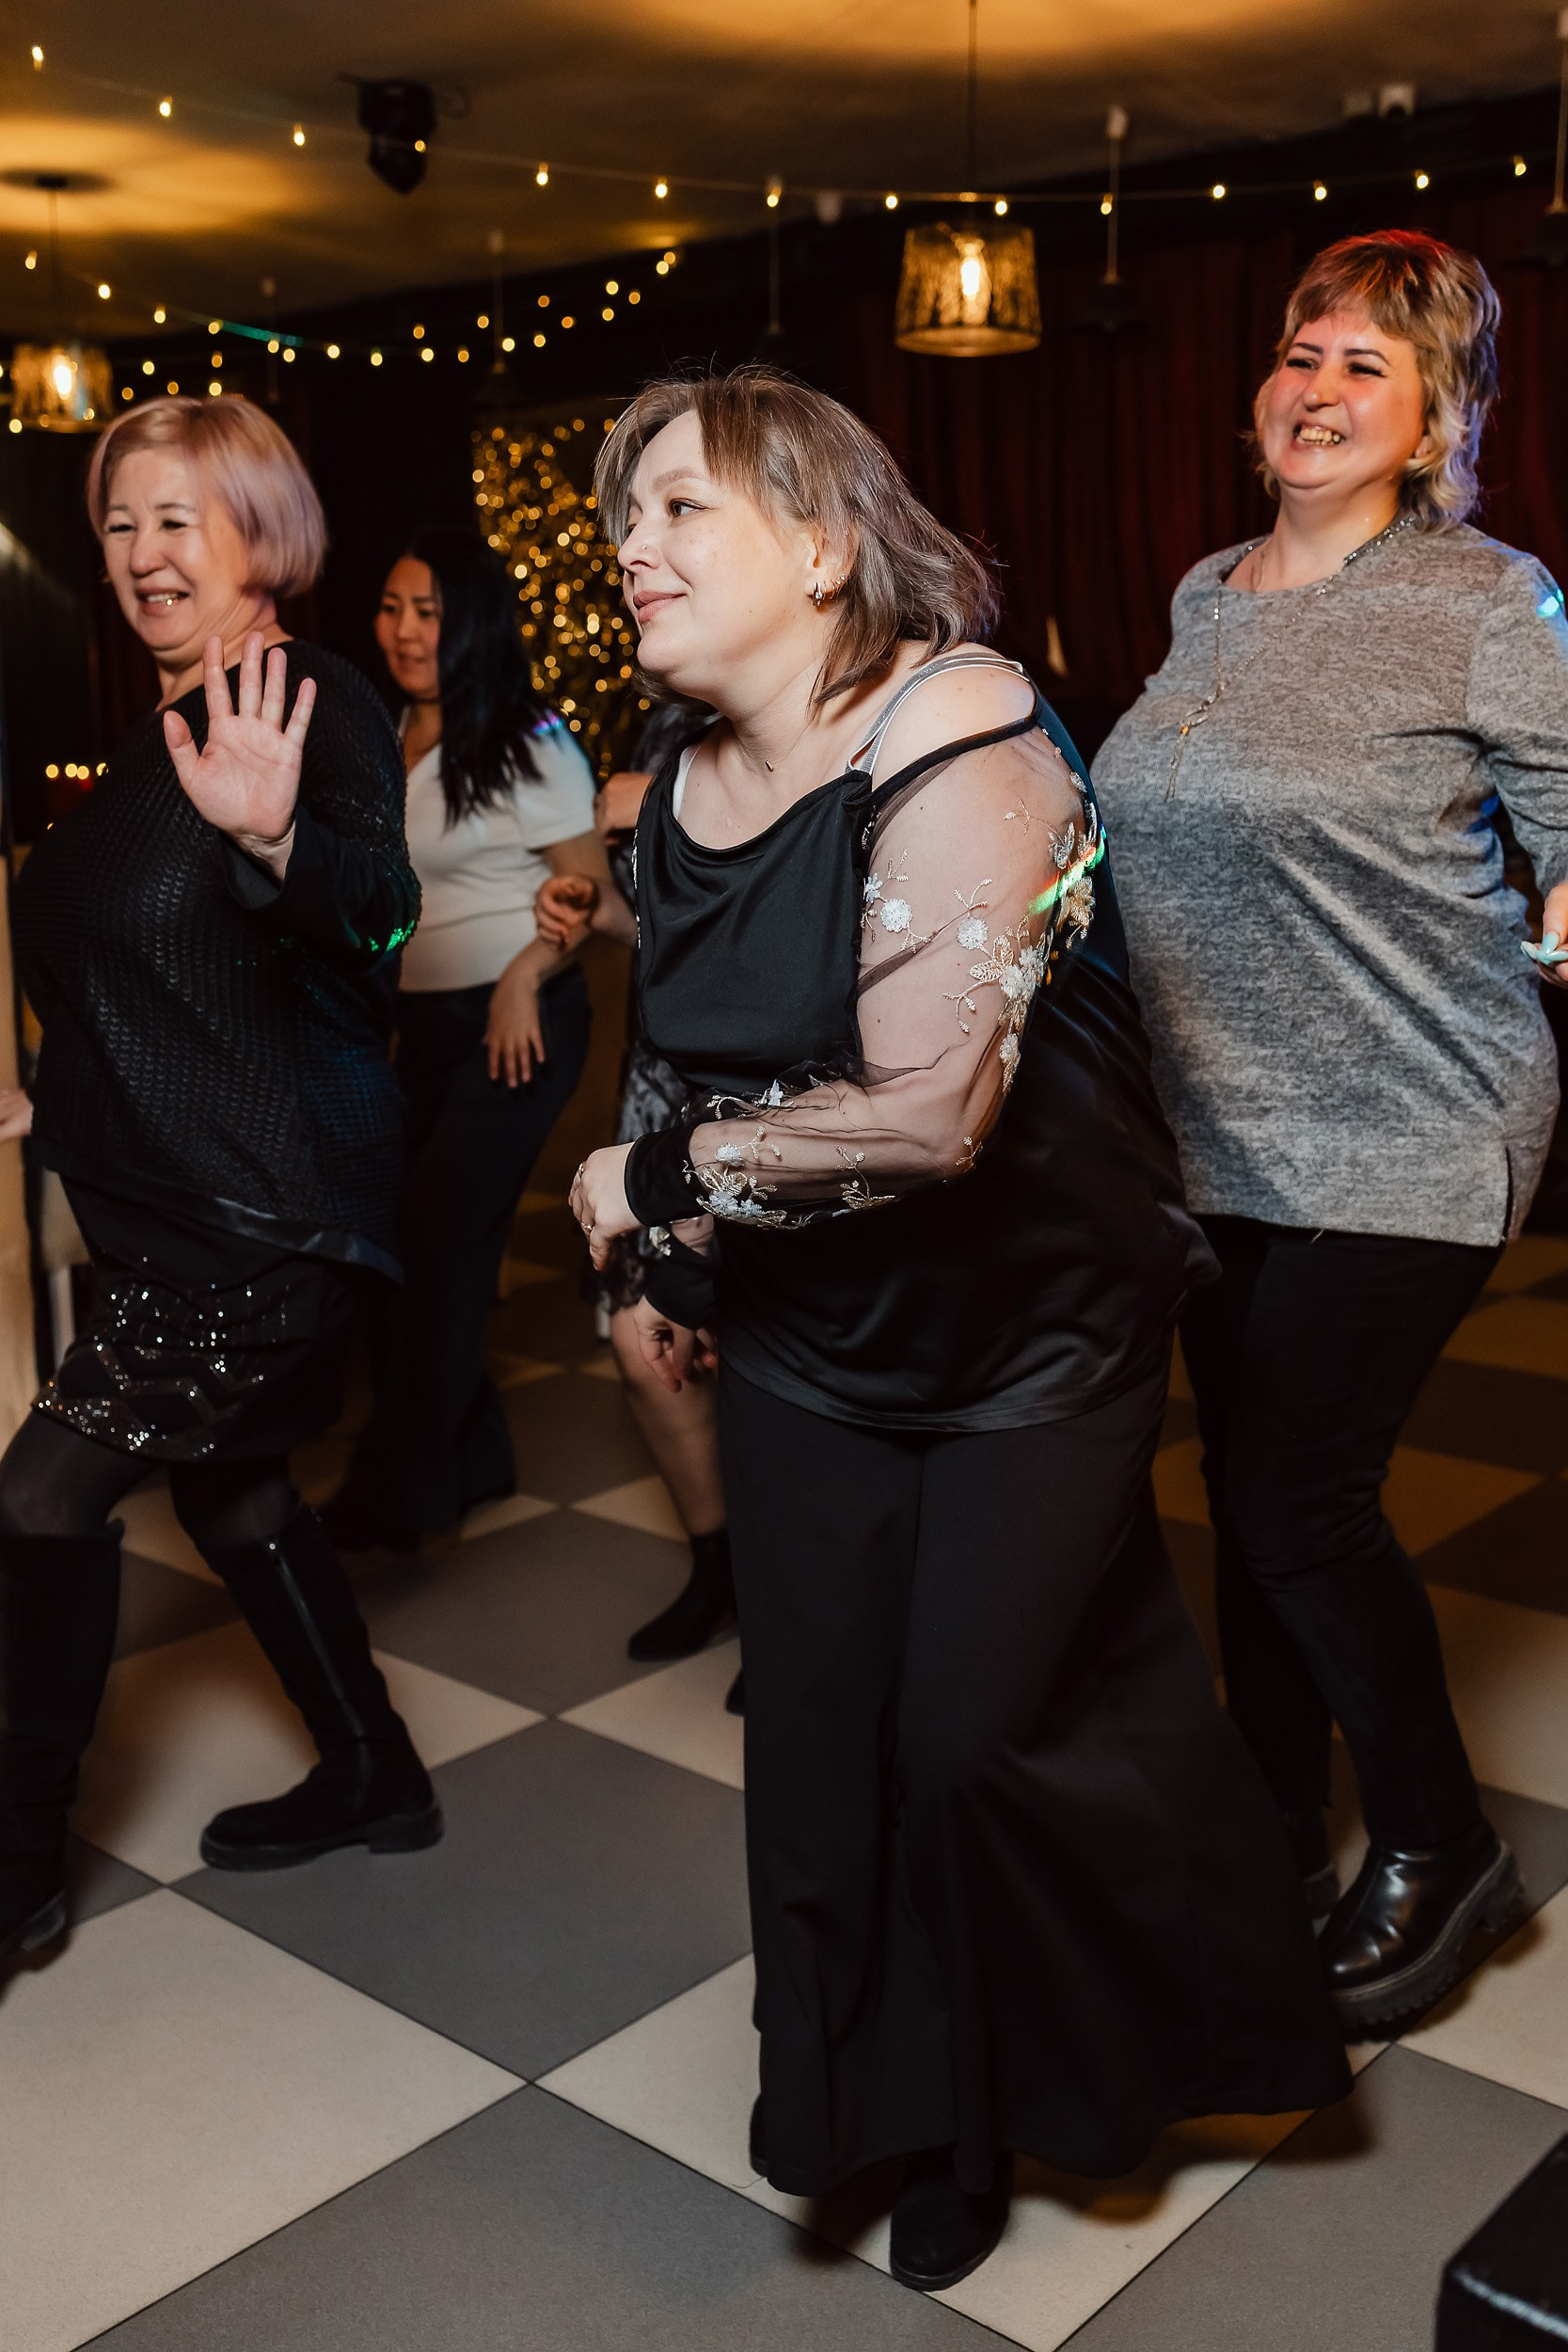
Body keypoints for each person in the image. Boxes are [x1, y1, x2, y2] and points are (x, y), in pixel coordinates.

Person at [569, 367, 1350, 2295]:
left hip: (1035, 1333)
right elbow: (693, 1035)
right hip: (813, 1333)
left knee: (970, 1736)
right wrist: (675, 1269)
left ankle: (1027, 2094)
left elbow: (926, 1114)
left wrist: (652, 1182)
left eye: (677, 507)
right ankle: (875, 2113)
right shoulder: (677, 774)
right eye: (623, 517)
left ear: (822, 544)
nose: (630, 546)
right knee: (816, 1743)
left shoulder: (964, 729)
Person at [1093, 230, 1568, 2034]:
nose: (1315, 387)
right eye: (1301, 351)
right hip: (1212, 1123)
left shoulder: (1485, 599)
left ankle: (1441, 1847)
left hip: (1413, 1112)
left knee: (1296, 1500)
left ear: (1433, 418)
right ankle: (1273, 1830)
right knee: (1244, 1490)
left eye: (1365, 364)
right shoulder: (1205, 592)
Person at [0, 394, 440, 1967]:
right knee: (233, 1486)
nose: (140, 551)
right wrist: (39, 1086)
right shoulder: (165, 724)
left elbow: (379, 915)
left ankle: (14, 1868)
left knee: (36, 1503)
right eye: (118, 522)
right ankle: (376, 1769)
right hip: (186, 1206)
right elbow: (156, 976)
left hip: (258, 1218)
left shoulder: (302, 694)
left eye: (175, 517)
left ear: (259, 530)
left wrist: (277, 846)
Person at [322, 532, 608, 1548]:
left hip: (517, 1023)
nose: (405, 631)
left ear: (473, 622)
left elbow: (593, 893)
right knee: (395, 1248)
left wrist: (527, 974)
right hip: (419, 1029)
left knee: (440, 1246)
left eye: (429, 612)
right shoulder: (383, 730)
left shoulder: (529, 738)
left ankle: (398, 1491)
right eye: (392, 608)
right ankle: (473, 1453)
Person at [535, 700, 742, 1711]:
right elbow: (654, 923)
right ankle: (718, 1566)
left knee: (762, 1350)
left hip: (767, 1077)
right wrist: (595, 916)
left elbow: (815, 837)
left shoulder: (804, 689)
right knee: (640, 1339)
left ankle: (796, 1611)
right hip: (665, 1073)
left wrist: (661, 801)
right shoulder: (661, 723)